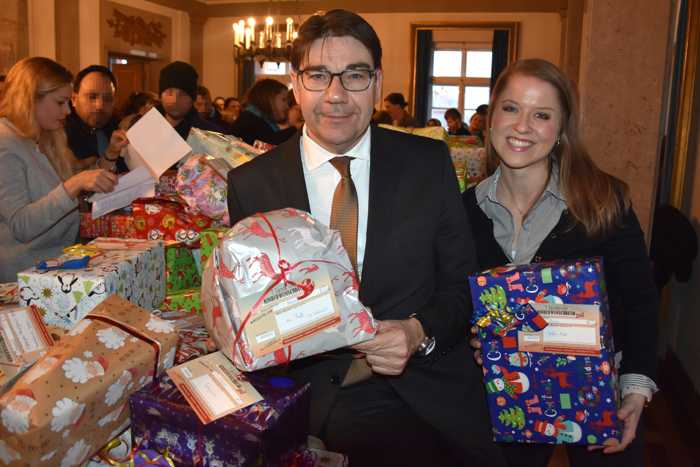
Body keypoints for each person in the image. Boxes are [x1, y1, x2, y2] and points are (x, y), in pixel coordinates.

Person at [227, 10, 503, 467]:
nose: (336, 95)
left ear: (376, 82)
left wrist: (418, 332)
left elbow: (462, 289)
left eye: (354, 75)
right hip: (303, 396)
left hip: (414, 390)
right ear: (295, 84)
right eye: (318, 75)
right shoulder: (251, 184)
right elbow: (253, 316)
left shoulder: (427, 164)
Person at [462, 58, 658, 467]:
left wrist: (636, 389)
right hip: (503, 396)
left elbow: (641, 303)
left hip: (599, 395)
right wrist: (473, 337)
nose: (522, 126)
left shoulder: (605, 201)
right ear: (491, 114)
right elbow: (454, 301)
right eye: (511, 108)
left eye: (542, 115)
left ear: (562, 128)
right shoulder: (463, 211)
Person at [0, 57, 117, 282]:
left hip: (53, 264)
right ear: (31, 99)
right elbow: (22, 225)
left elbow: (61, 191)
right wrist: (75, 184)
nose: (67, 111)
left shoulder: (41, 137)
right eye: (60, 102)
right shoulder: (5, 144)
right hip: (23, 277)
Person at [65, 65, 128, 173]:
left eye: (108, 99)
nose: (100, 105)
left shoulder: (118, 128)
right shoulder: (60, 135)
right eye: (92, 97)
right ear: (74, 99)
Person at [157, 61, 229, 139]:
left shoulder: (211, 136)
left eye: (183, 94)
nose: (175, 100)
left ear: (193, 99)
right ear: (160, 96)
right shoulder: (146, 127)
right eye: (169, 93)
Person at [230, 79, 296, 146]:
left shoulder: (256, 118)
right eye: (283, 99)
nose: (287, 106)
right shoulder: (250, 121)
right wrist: (296, 128)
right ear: (269, 99)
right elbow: (271, 144)